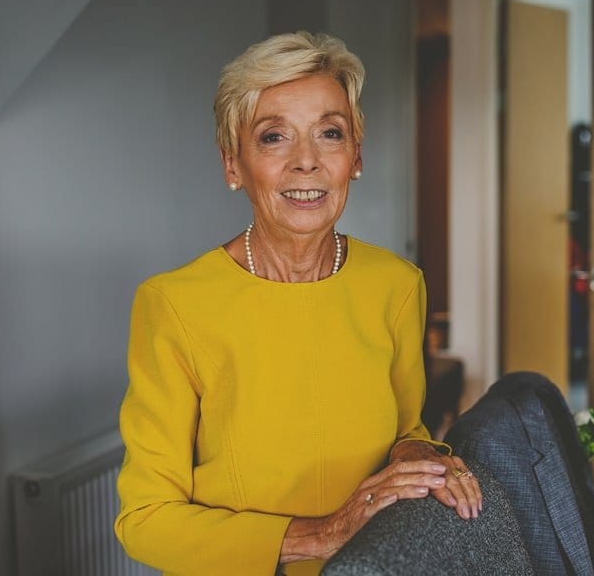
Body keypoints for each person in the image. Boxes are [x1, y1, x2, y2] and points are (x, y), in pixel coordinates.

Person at [113, 32, 515, 576]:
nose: (307, 162)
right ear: (233, 165)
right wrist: (324, 533)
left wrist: (419, 456)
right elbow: (146, 519)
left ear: (355, 158)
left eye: (330, 133)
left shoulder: (396, 285)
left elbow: (405, 430)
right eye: (274, 137)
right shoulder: (175, 305)